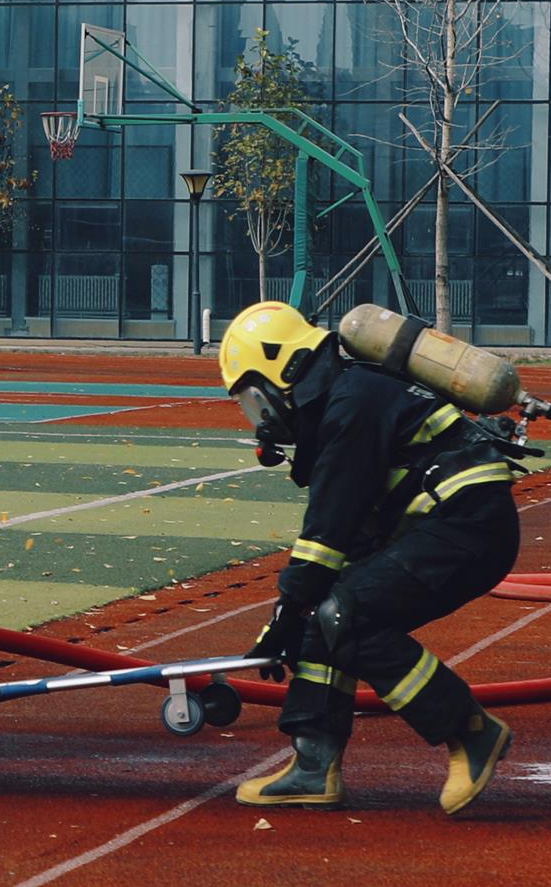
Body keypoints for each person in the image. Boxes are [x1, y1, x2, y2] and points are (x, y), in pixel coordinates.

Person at [217, 299, 519, 811]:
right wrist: (296, 611)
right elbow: (347, 535)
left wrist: (287, 609)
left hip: (468, 526)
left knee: (346, 614)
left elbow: (330, 524)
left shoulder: (352, 403)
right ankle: (313, 768)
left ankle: (471, 731)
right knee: (329, 611)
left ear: (283, 371)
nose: (261, 419)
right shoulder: (349, 395)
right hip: (455, 523)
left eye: (255, 399)